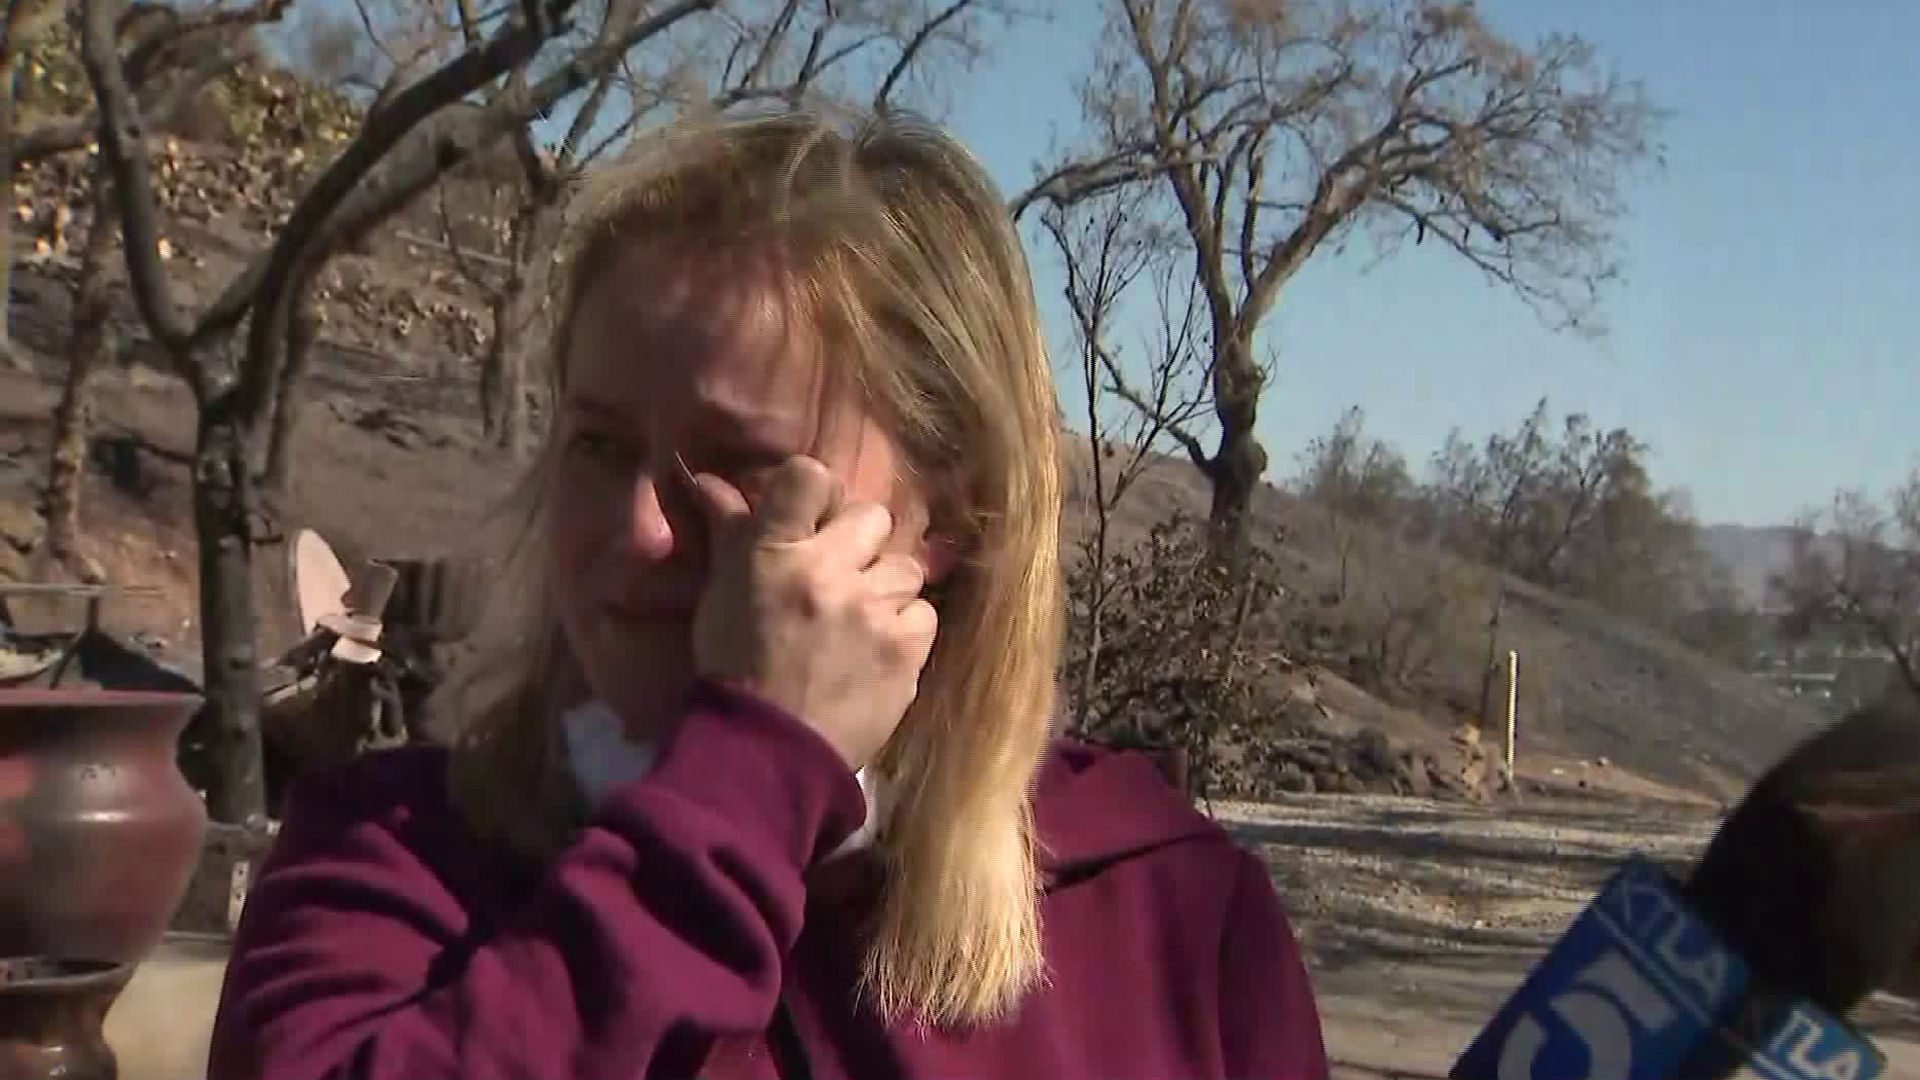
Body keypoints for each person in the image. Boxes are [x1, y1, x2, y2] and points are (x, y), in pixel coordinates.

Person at [205, 106, 1328, 1080]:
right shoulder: (388, 862)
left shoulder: (1169, 916)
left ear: (953, 520)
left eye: (733, 465)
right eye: (598, 445)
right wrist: (744, 784)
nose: (641, 530)